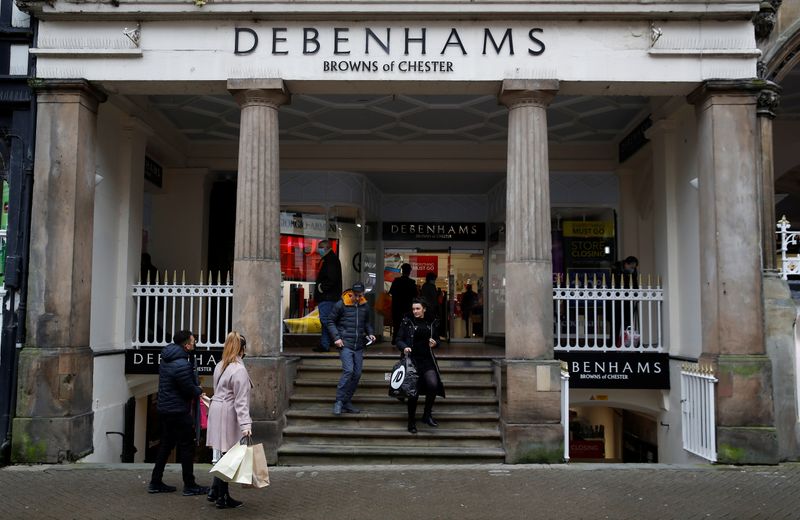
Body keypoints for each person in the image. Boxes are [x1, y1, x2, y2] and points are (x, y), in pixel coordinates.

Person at [148, 330, 209, 496]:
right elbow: (187, 388)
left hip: (166, 409)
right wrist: (198, 390)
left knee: (166, 445)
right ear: (186, 345)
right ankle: (189, 485)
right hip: (178, 411)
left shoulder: (168, 359)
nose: (195, 343)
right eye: (193, 341)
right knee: (186, 446)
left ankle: (155, 482)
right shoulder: (181, 363)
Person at [207, 332, 252, 509]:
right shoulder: (239, 369)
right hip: (228, 413)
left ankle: (215, 490)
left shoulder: (220, 365)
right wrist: (246, 425)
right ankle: (222, 497)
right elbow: (241, 401)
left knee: (224, 454)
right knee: (229, 455)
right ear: (242, 349)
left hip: (217, 410)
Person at [396, 297, 446, 434]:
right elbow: (398, 340)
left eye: (418, 309)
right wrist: (404, 347)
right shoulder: (407, 321)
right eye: (413, 309)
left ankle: (427, 414)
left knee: (433, 384)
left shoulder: (432, 322)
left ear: (424, 309)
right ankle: (411, 421)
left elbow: (437, 340)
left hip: (427, 359)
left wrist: (435, 343)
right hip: (412, 360)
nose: (415, 311)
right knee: (413, 392)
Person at [327, 281, 376, 415]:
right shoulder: (341, 304)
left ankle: (346, 401)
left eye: (360, 295)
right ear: (351, 293)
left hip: (359, 345)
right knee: (348, 371)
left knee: (357, 374)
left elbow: (367, 323)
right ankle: (338, 401)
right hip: (345, 344)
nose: (358, 298)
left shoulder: (365, 306)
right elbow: (330, 321)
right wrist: (336, 338)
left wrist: (370, 333)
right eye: (356, 295)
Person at [313, 239, 342, 352]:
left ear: (325, 248)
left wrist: (321, 287)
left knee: (326, 321)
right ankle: (324, 344)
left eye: (320, 248)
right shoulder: (331, 259)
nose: (318, 250)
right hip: (329, 296)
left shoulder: (330, 260)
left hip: (328, 297)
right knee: (326, 320)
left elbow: (331, 279)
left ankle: (338, 340)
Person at [389, 263, 418, 344]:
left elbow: (391, 292)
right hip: (407, 307)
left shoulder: (396, 281)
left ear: (402, 271)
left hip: (397, 306)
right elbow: (415, 295)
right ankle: (405, 340)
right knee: (407, 324)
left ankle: (395, 339)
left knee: (397, 324)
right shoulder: (411, 282)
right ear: (409, 271)